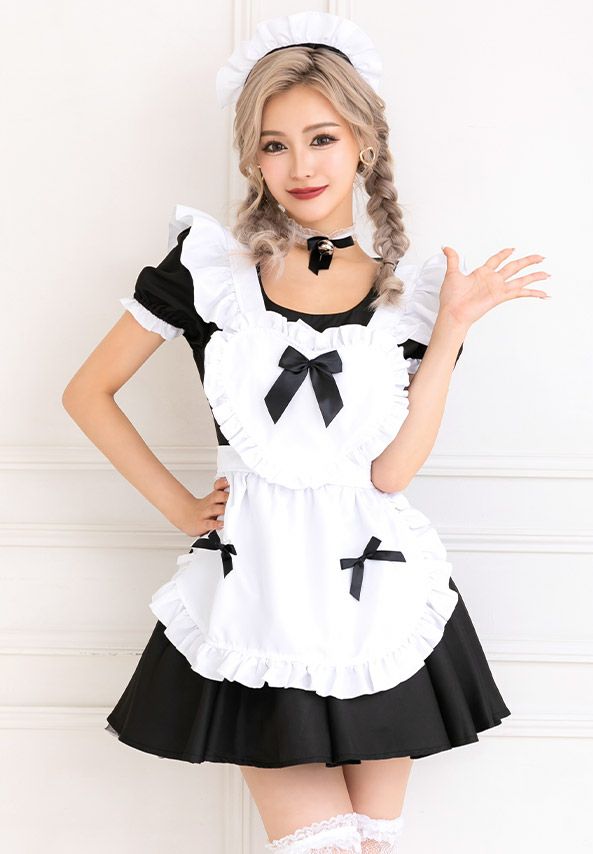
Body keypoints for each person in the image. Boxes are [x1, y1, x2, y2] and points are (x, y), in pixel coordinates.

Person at [62, 10, 550, 853]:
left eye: (321, 138)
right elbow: (88, 393)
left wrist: (451, 332)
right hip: (256, 587)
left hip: (375, 589)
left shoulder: (415, 296)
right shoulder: (209, 272)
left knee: (375, 844)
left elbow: (391, 474)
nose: (300, 165)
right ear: (253, 158)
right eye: (275, 144)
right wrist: (180, 507)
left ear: (364, 141)